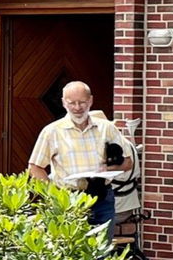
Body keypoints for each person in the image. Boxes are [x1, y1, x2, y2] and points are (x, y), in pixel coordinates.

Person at [26, 82, 134, 234]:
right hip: (68, 199)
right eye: (72, 103)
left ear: (90, 101)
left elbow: (128, 162)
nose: (77, 108)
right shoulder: (52, 131)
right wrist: (53, 195)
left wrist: (108, 168)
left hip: (102, 198)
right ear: (64, 103)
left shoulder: (107, 128)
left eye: (82, 102)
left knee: (103, 246)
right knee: (71, 246)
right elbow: (35, 167)